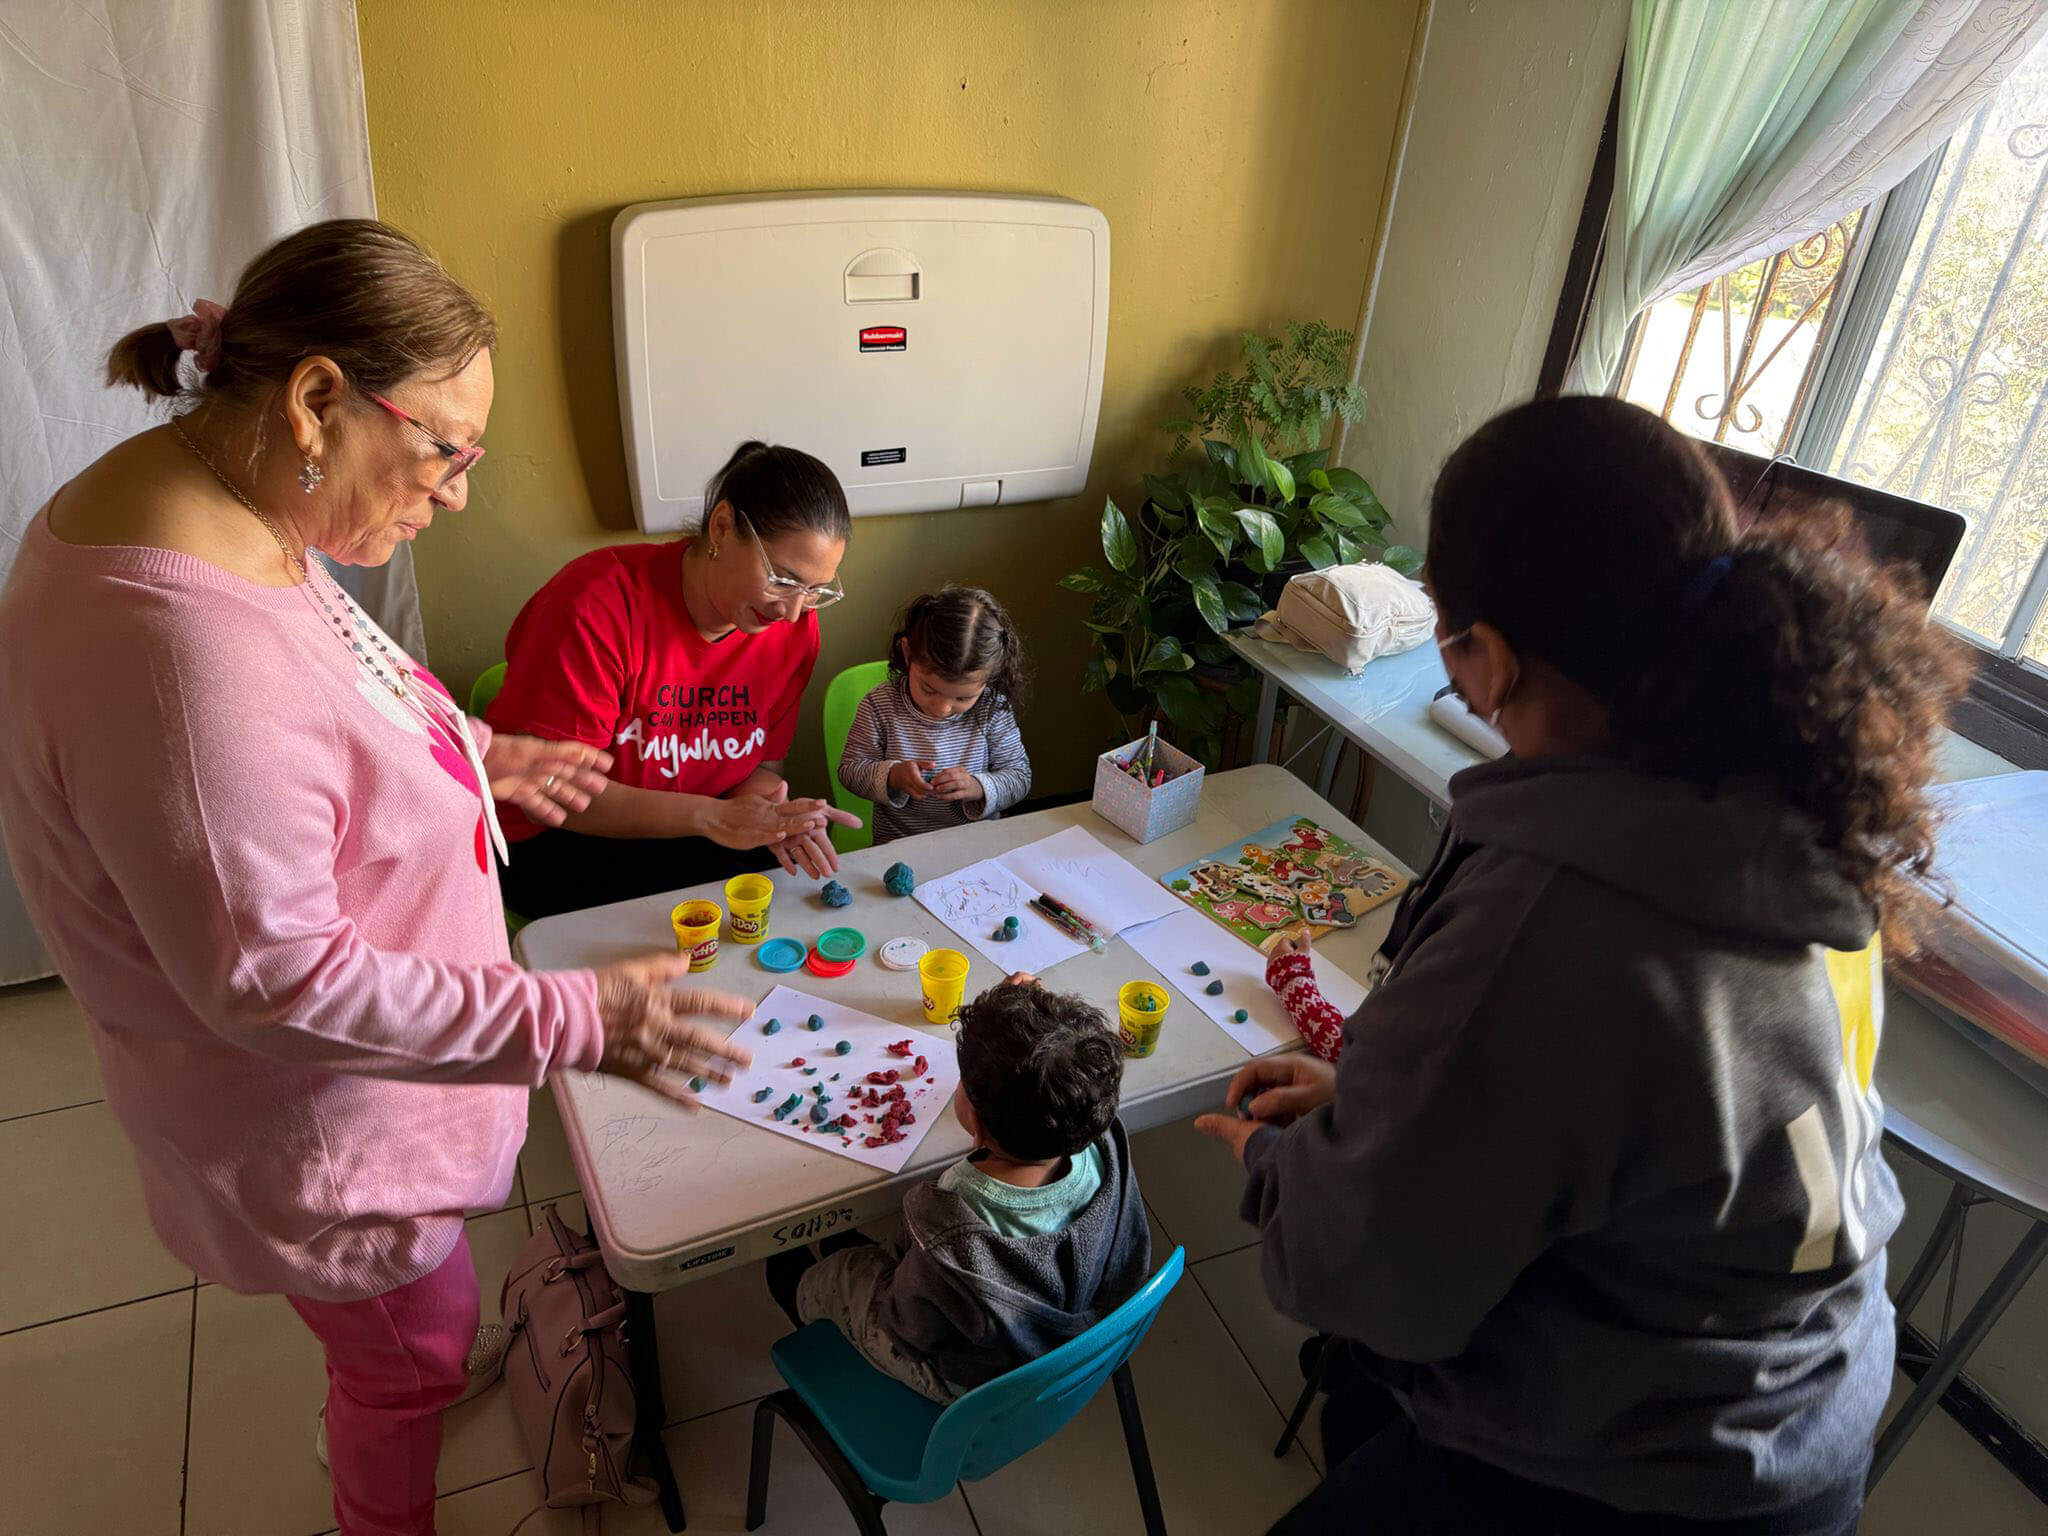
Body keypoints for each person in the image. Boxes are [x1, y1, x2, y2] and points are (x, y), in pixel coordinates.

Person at [0, 219, 755, 1536]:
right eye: (446, 449)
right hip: (318, 1127)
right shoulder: (181, 658)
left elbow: (329, 686)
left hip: (356, 1086)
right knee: (413, 1345)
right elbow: (276, 980)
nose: (458, 489)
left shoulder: (224, 493)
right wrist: (580, 1018)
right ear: (315, 400)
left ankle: (381, 1381)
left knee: (404, 1336)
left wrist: (469, 751)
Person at [1195, 395, 1972, 1535]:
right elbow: (1631, 1113)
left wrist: (1281, 1163)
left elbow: (1353, 1278)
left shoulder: (1551, 920)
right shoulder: (1787, 804)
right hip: (1796, 1421)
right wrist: (1388, 1106)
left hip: (1631, 1478)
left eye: (1450, 651)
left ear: (1488, 660)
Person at [487, 440, 859, 918]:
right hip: (563, 839)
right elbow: (551, 790)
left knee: (781, 915)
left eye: (814, 591)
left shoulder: (794, 631)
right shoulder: (595, 603)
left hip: (695, 831)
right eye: (783, 580)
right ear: (722, 527)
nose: (791, 611)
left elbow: (762, 769)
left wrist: (771, 818)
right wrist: (713, 818)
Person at [764, 973, 1149, 1401]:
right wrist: (1019, 1020)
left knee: (846, 1273)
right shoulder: (1101, 1137)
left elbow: (911, 1325)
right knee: (899, 1265)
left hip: (966, 1378)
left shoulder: (950, 1217)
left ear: (978, 1124)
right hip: (1063, 1337)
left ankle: (799, 1294)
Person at [836, 585, 1032, 843]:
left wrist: (978, 786)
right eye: (928, 689)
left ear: (990, 678)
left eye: (963, 698)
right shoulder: (879, 705)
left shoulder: (992, 709)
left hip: (974, 845)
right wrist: (893, 776)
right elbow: (850, 770)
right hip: (898, 845)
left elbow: (1019, 776)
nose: (942, 708)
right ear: (908, 654)